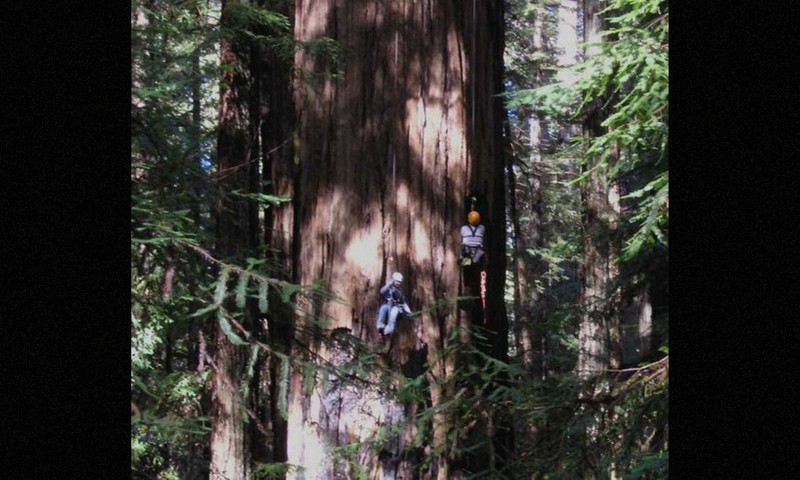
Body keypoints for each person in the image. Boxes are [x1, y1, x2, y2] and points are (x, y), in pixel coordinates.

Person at [376, 272, 412, 336]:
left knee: (394, 311)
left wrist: (410, 313)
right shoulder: (389, 289)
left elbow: (404, 303)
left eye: (400, 282)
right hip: (389, 306)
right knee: (383, 308)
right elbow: (382, 291)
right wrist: (388, 284)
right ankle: (380, 325)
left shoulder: (400, 291)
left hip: (397, 308)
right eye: (397, 281)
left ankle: (389, 329)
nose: (398, 283)